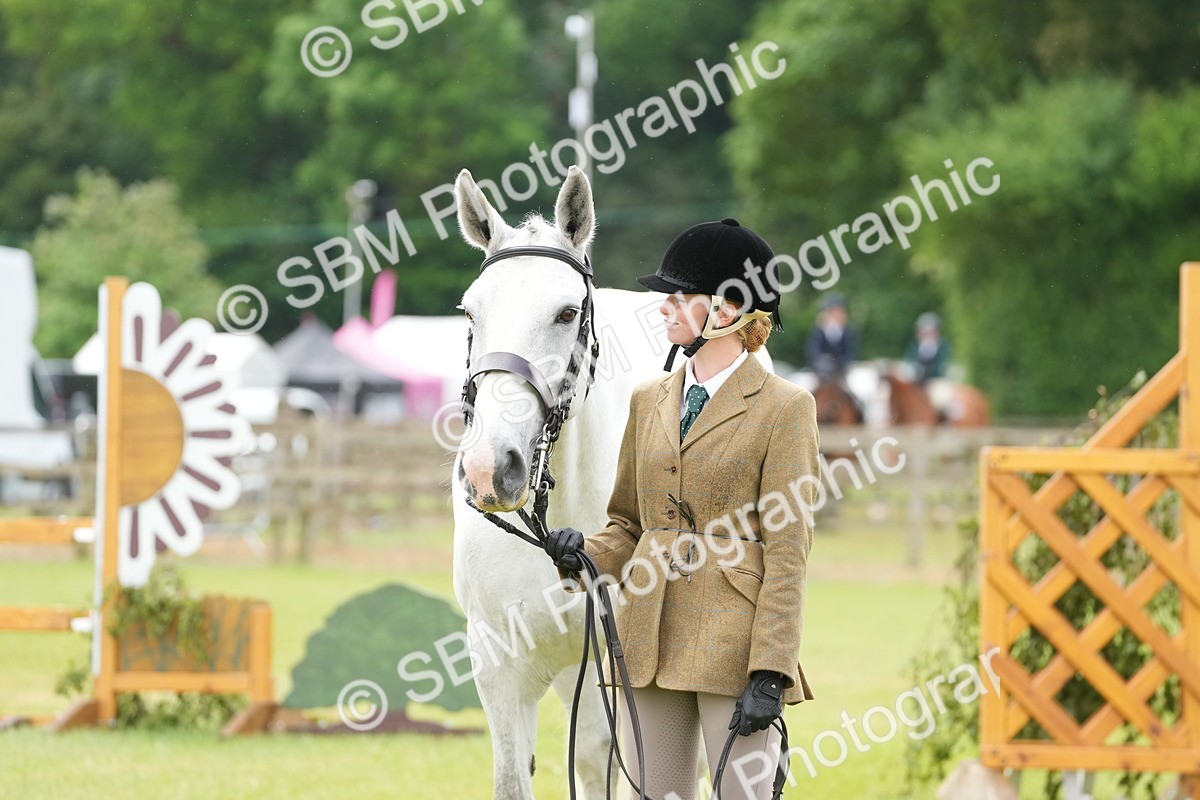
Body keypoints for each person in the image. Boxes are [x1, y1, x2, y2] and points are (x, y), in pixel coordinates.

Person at [544, 218, 819, 800]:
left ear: (727, 309)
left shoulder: (786, 408)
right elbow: (628, 524)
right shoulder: (649, 400)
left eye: (678, 298)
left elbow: (789, 551)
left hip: (735, 644)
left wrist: (773, 667)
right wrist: (582, 553)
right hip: (648, 633)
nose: (663, 309)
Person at [804, 292, 859, 380]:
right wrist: (821, 361)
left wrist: (839, 363)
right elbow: (812, 350)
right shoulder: (818, 330)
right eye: (832, 312)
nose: (835, 315)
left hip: (842, 370)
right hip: (820, 370)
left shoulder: (848, 331)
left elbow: (851, 352)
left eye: (838, 312)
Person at [904, 311, 950, 383]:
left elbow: (943, 364)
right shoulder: (914, 346)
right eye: (924, 333)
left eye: (930, 332)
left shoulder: (943, 346)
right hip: (916, 380)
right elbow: (909, 361)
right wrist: (916, 369)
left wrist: (928, 371)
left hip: (936, 380)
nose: (927, 335)